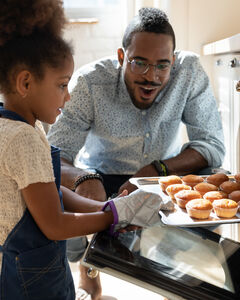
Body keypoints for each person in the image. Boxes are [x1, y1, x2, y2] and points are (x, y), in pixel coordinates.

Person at [47, 6, 225, 300]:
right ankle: (89, 270)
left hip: (162, 177)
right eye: (139, 63)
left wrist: (155, 170)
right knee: (50, 193)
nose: (151, 76)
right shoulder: (89, 83)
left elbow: (211, 145)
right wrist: (84, 178)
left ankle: (171, 266)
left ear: (174, 61)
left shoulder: (189, 72)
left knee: (216, 177)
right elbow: (55, 153)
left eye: (162, 65)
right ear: (121, 57)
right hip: (101, 180)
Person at [0, 2, 163, 300]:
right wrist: (114, 216)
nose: (69, 94)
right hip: (29, 283)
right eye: (62, 85)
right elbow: (54, 224)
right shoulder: (22, 139)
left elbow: (52, 194)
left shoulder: (22, 127)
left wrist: (105, 208)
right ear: (25, 82)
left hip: (41, 267)